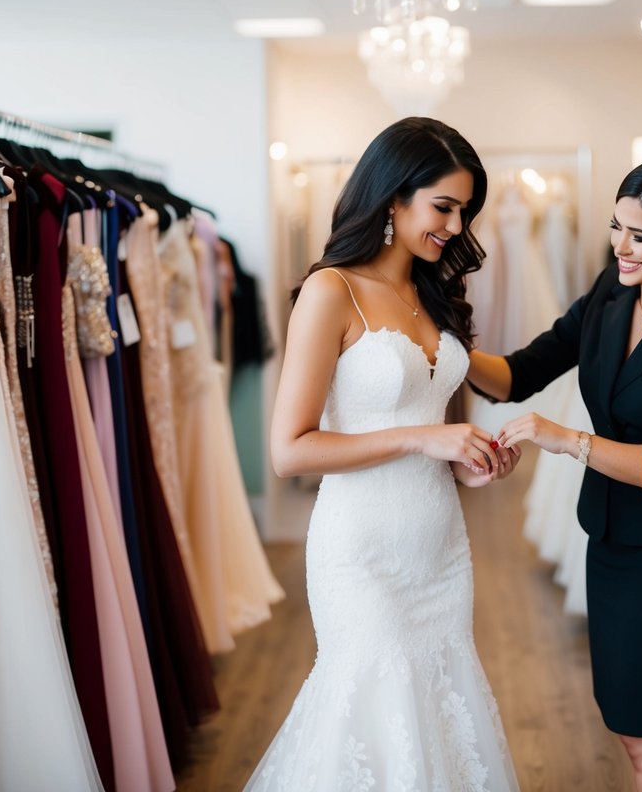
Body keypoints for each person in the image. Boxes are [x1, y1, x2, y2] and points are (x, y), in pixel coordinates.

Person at [245, 117, 522, 791]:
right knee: (370, 703)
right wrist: (422, 438)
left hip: (438, 544)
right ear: (393, 198)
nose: (456, 228)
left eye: (464, 212)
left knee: (436, 709)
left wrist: (467, 459)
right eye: (444, 207)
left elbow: (435, 414)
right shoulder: (330, 290)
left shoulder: (431, 291)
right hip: (360, 549)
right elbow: (289, 449)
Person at [467, 156, 642, 792]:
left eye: (640, 235)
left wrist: (564, 437)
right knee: (632, 732)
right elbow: (520, 372)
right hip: (613, 539)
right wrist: (440, 349)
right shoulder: (610, 292)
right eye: (616, 228)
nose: (620, 247)